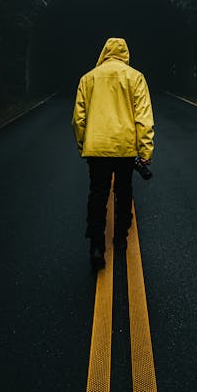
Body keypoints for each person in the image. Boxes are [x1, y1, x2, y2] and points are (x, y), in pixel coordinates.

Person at [72, 37, 154, 269]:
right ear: (125, 53)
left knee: (97, 194)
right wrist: (145, 150)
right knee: (123, 191)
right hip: (125, 148)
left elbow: (79, 119)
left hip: (96, 148)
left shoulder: (88, 78)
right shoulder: (135, 77)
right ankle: (120, 238)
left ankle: (97, 245)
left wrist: (83, 145)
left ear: (104, 52)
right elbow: (143, 118)